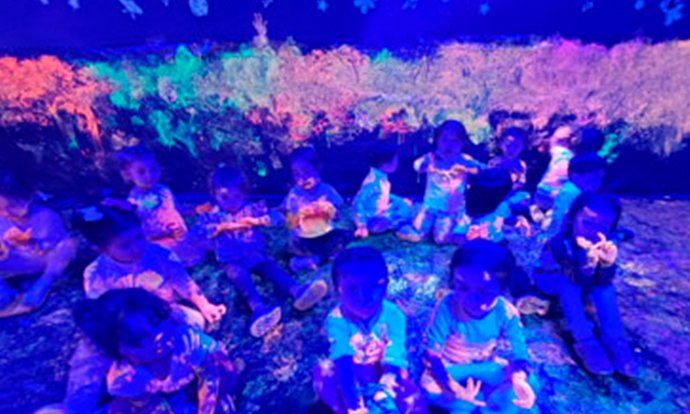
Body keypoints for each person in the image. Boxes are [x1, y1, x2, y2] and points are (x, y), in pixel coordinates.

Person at [199, 165, 328, 338]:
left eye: (237, 196)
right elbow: (201, 231)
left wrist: (260, 220)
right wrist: (221, 227)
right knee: (241, 278)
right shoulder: (213, 215)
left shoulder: (250, 209)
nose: (231, 203)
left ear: (244, 194)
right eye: (224, 197)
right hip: (231, 259)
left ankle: (297, 290)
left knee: (272, 268)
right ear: (214, 195)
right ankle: (258, 309)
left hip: (254, 253)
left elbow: (278, 218)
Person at [74, 288, 238, 413]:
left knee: (225, 378)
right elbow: (154, 406)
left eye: (156, 322)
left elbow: (211, 380)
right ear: (119, 350)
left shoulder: (189, 342)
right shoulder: (124, 378)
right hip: (161, 394)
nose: (157, 336)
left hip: (199, 376)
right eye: (139, 339)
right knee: (120, 407)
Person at [421, 246, 538, 413]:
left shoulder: (506, 312)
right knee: (429, 388)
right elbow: (432, 354)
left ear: (501, 289)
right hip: (451, 368)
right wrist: (453, 387)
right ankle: (482, 403)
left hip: (485, 365)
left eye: (484, 291)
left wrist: (519, 379)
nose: (471, 298)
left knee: (529, 381)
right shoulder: (447, 305)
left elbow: (518, 352)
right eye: (462, 287)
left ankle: (483, 402)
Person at [533, 193, 638, 377]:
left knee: (605, 289)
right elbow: (572, 277)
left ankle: (615, 339)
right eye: (588, 222)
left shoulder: (604, 244)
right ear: (571, 219)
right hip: (551, 280)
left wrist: (606, 264)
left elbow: (604, 280)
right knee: (570, 286)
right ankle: (585, 340)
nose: (593, 231)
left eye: (603, 226)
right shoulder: (559, 244)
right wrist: (588, 264)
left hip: (584, 282)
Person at [313, 246, 426, 414]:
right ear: (338, 291)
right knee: (323, 371)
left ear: (385, 285)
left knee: (413, 397)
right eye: (352, 288)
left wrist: (384, 393)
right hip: (352, 376)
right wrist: (354, 407)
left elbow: (393, 360)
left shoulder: (394, 315)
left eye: (372, 286)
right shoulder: (336, 320)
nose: (363, 297)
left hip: (384, 373)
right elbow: (344, 364)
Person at [103, 144, 202, 266]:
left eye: (153, 169)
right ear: (129, 174)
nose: (149, 176)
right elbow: (133, 208)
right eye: (141, 172)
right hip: (159, 242)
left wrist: (195, 209)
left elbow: (175, 209)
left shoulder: (164, 190)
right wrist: (117, 203)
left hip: (179, 235)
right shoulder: (135, 198)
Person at [0, 170, 77, 317]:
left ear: (30, 196)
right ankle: (5, 296)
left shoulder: (46, 217)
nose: (6, 213)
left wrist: (32, 244)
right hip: (12, 263)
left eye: (12, 206)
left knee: (68, 246)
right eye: (0, 209)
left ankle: (43, 285)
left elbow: (52, 250)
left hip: (41, 262)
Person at [403, 120, 484, 244]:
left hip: (450, 209)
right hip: (430, 206)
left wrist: (466, 169)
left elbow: (482, 169)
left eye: (454, 141)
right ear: (437, 140)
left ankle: (454, 227)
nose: (448, 145)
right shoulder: (431, 157)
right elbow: (417, 165)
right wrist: (426, 167)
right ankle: (408, 224)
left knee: (441, 240)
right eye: (444, 139)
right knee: (419, 234)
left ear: (463, 143)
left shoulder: (464, 160)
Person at [283, 147, 351, 272]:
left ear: (317, 169)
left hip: (325, 232)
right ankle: (309, 259)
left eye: (306, 172)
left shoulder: (327, 190)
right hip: (305, 237)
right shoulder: (294, 195)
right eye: (296, 174)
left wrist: (330, 209)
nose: (302, 178)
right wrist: (300, 215)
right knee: (294, 246)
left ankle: (315, 259)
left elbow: (338, 216)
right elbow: (290, 224)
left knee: (345, 235)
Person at [352, 139, 414, 239]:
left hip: (382, 211)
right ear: (384, 164)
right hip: (373, 218)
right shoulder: (372, 182)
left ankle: (398, 221)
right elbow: (357, 202)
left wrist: (400, 200)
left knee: (403, 204)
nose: (397, 163)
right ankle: (400, 226)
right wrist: (361, 225)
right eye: (395, 161)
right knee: (401, 212)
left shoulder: (381, 177)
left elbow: (382, 194)